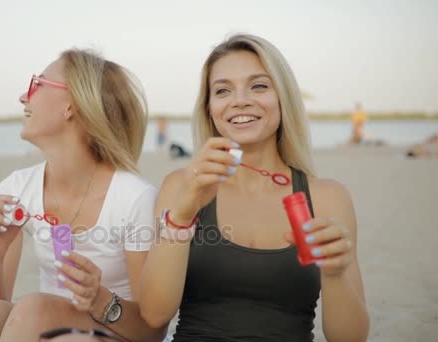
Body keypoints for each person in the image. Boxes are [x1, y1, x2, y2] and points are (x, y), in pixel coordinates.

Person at [139, 34, 370, 341]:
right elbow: (154, 315)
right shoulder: (181, 186)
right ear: (210, 108)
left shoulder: (327, 196)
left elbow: (350, 339)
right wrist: (181, 216)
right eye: (222, 90)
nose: (239, 100)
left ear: (282, 97)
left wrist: (336, 273)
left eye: (259, 85)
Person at [0, 49, 166, 342]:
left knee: (33, 309)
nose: (24, 96)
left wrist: (99, 298)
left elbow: (151, 331)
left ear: (71, 105)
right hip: (37, 326)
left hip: (113, 333)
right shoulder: (16, 189)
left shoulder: (135, 198)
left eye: (38, 84)